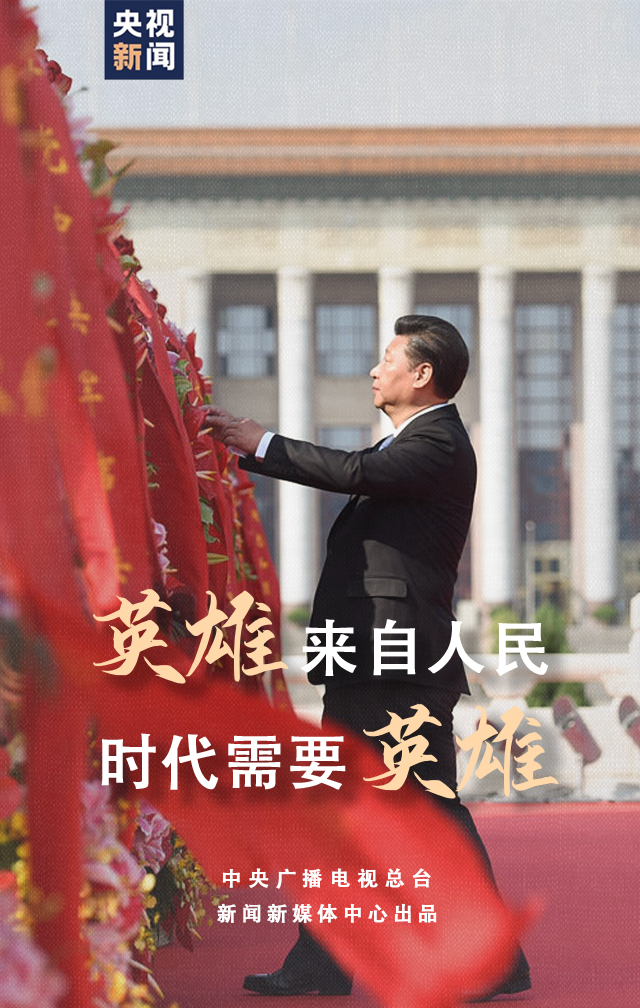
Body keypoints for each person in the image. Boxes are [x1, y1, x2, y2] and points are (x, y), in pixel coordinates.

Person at [207, 315, 531, 1001]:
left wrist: (260, 441)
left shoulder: (438, 442)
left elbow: (355, 472)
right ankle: (328, 961)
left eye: (388, 358)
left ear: (423, 374)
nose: (375, 370)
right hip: (371, 657)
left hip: (396, 659)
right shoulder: (410, 444)